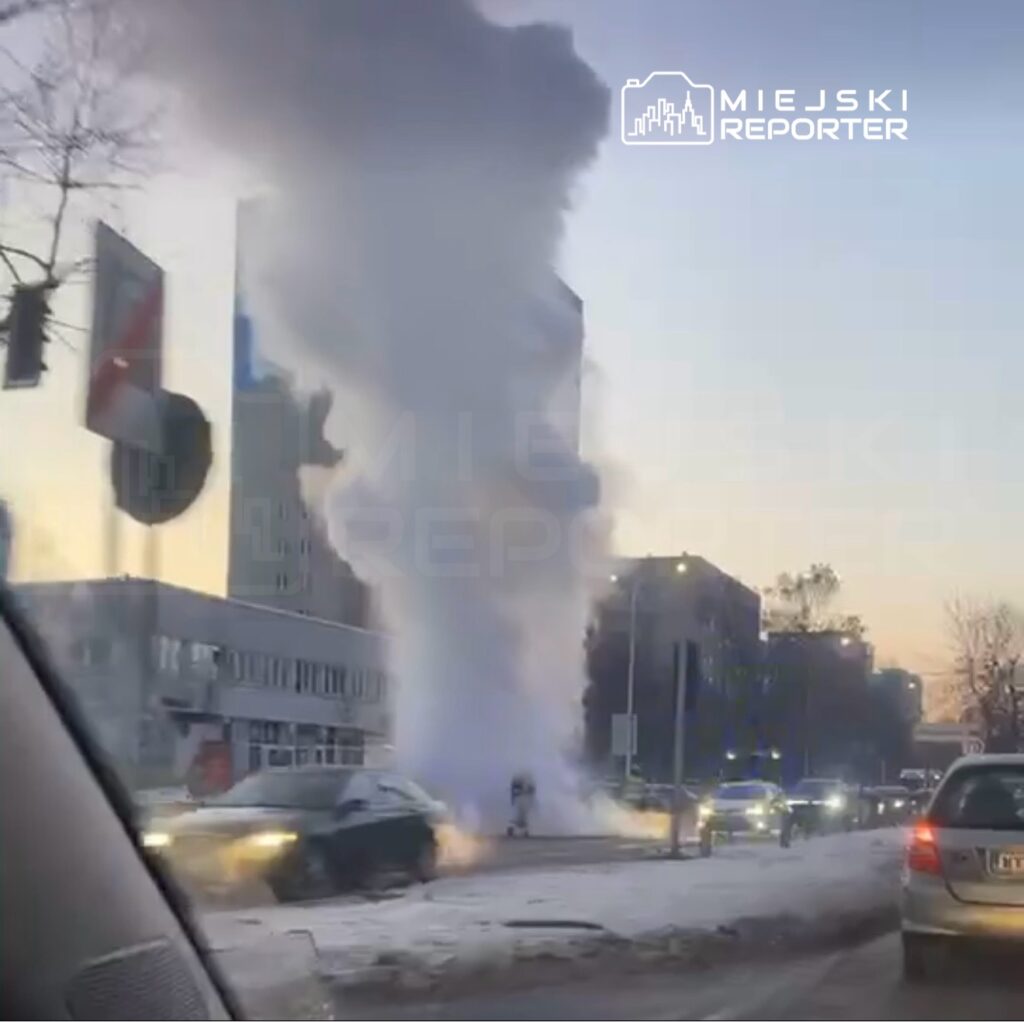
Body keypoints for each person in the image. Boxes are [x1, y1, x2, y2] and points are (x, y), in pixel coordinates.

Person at [507, 771, 536, 837]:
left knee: (521, 813)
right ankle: (521, 826)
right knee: (521, 813)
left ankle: (521, 826)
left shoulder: (523, 790)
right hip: (521, 801)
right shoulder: (521, 791)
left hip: (522, 801)